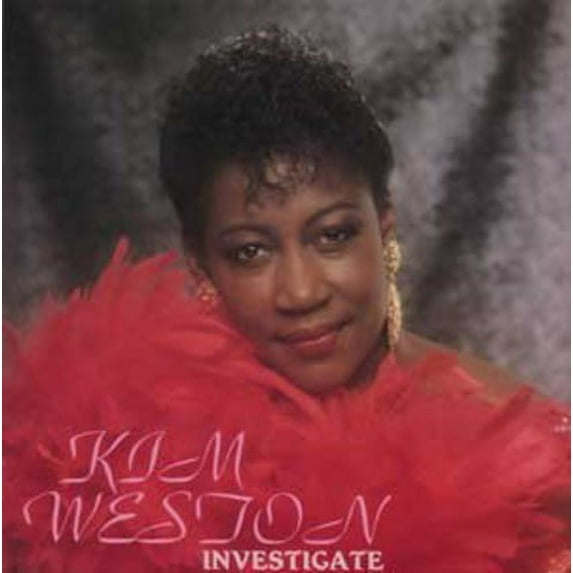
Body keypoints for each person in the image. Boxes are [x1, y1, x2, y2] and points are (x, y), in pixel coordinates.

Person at [3, 27, 570, 572]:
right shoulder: (119, 445)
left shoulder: (525, 457)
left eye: (333, 236)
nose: (300, 292)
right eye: (251, 252)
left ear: (384, 229)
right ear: (202, 265)